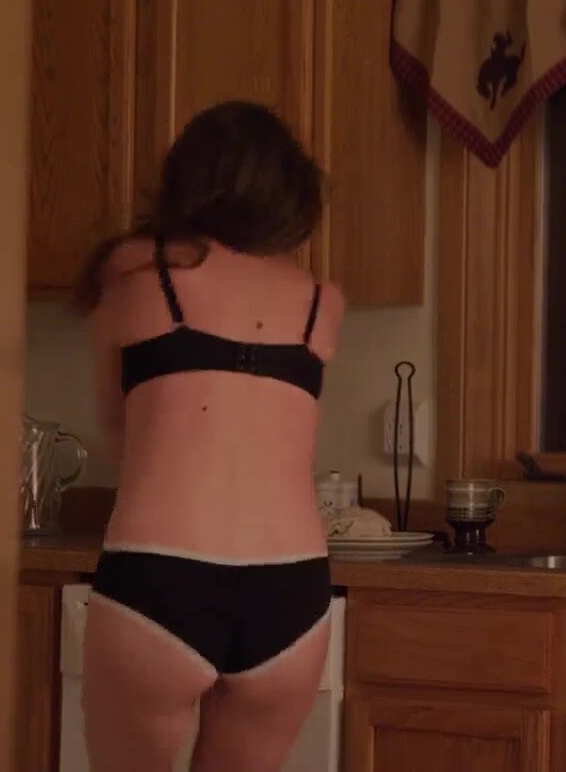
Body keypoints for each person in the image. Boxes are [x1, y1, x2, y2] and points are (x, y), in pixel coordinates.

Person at [73, 101, 343, 772]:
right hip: (291, 592)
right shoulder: (321, 300)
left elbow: (116, 430)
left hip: (162, 576)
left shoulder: (136, 270)